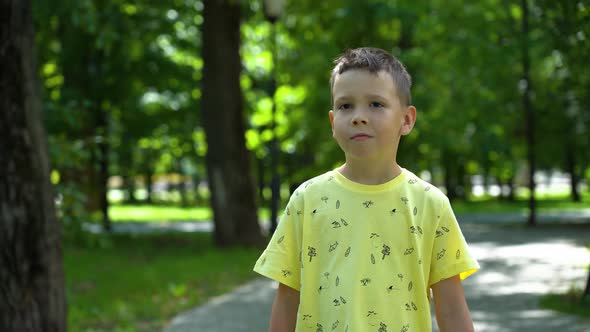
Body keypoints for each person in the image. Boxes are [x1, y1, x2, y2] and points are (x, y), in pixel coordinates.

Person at [253, 47, 479, 332]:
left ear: (406, 120)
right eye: (346, 106)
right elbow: (287, 301)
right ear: (333, 123)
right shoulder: (306, 200)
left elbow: (452, 310)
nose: (359, 116)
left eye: (375, 104)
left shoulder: (431, 204)